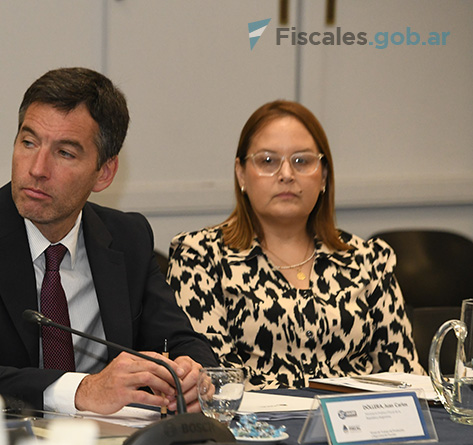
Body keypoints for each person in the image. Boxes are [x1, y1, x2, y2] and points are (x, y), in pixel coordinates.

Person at [0, 67, 217, 416]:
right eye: (28, 143)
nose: (37, 168)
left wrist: (192, 373)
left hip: (112, 439)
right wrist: (82, 390)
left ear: (104, 173)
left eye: (65, 153)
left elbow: (179, 340)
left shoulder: (127, 238)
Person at [166, 100, 424, 389]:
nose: (287, 174)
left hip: (355, 415)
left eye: (302, 161)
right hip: (250, 417)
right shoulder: (200, 257)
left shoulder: (368, 260)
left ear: (323, 175)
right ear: (241, 174)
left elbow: (405, 377)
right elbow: (214, 381)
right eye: (268, 161)